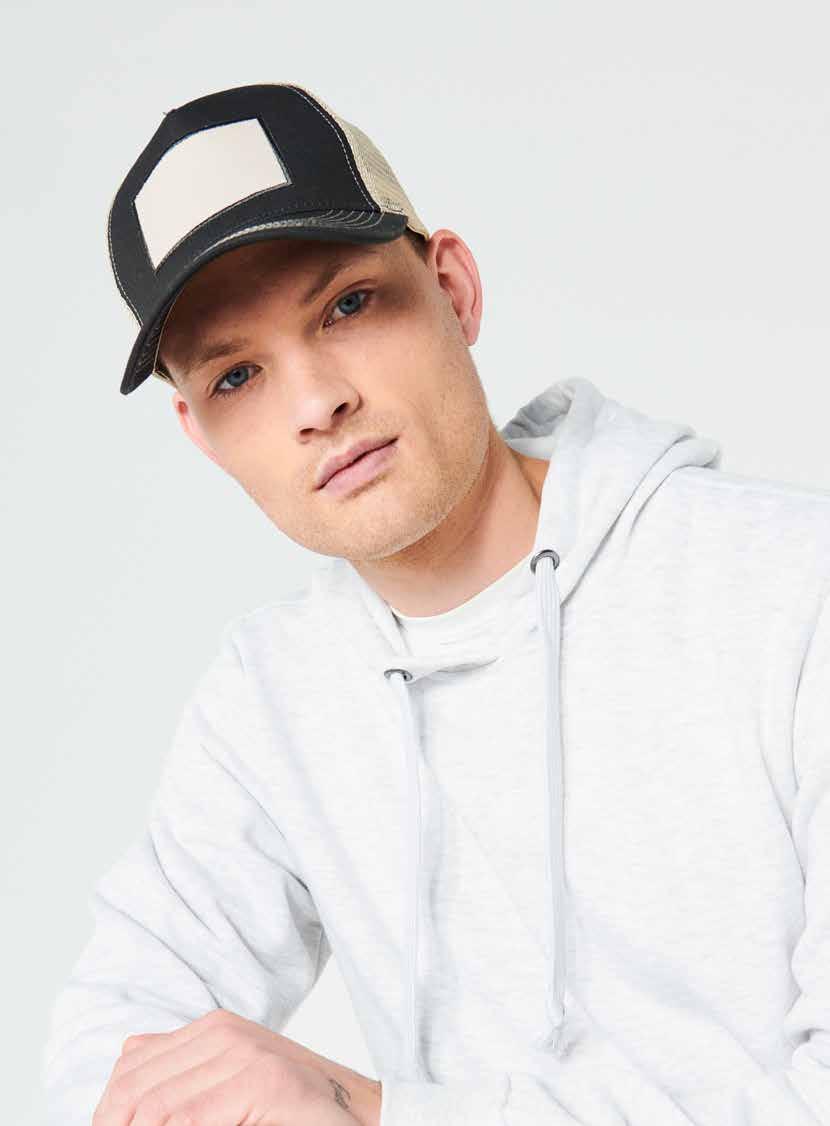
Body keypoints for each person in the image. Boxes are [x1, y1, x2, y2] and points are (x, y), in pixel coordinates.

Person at [41, 82, 830, 1126]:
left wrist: (380, 1112)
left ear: (453, 289)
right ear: (200, 437)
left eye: (347, 306)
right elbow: (109, 1055)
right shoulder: (273, 698)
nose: (317, 403)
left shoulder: (791, 587)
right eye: (237, 378)